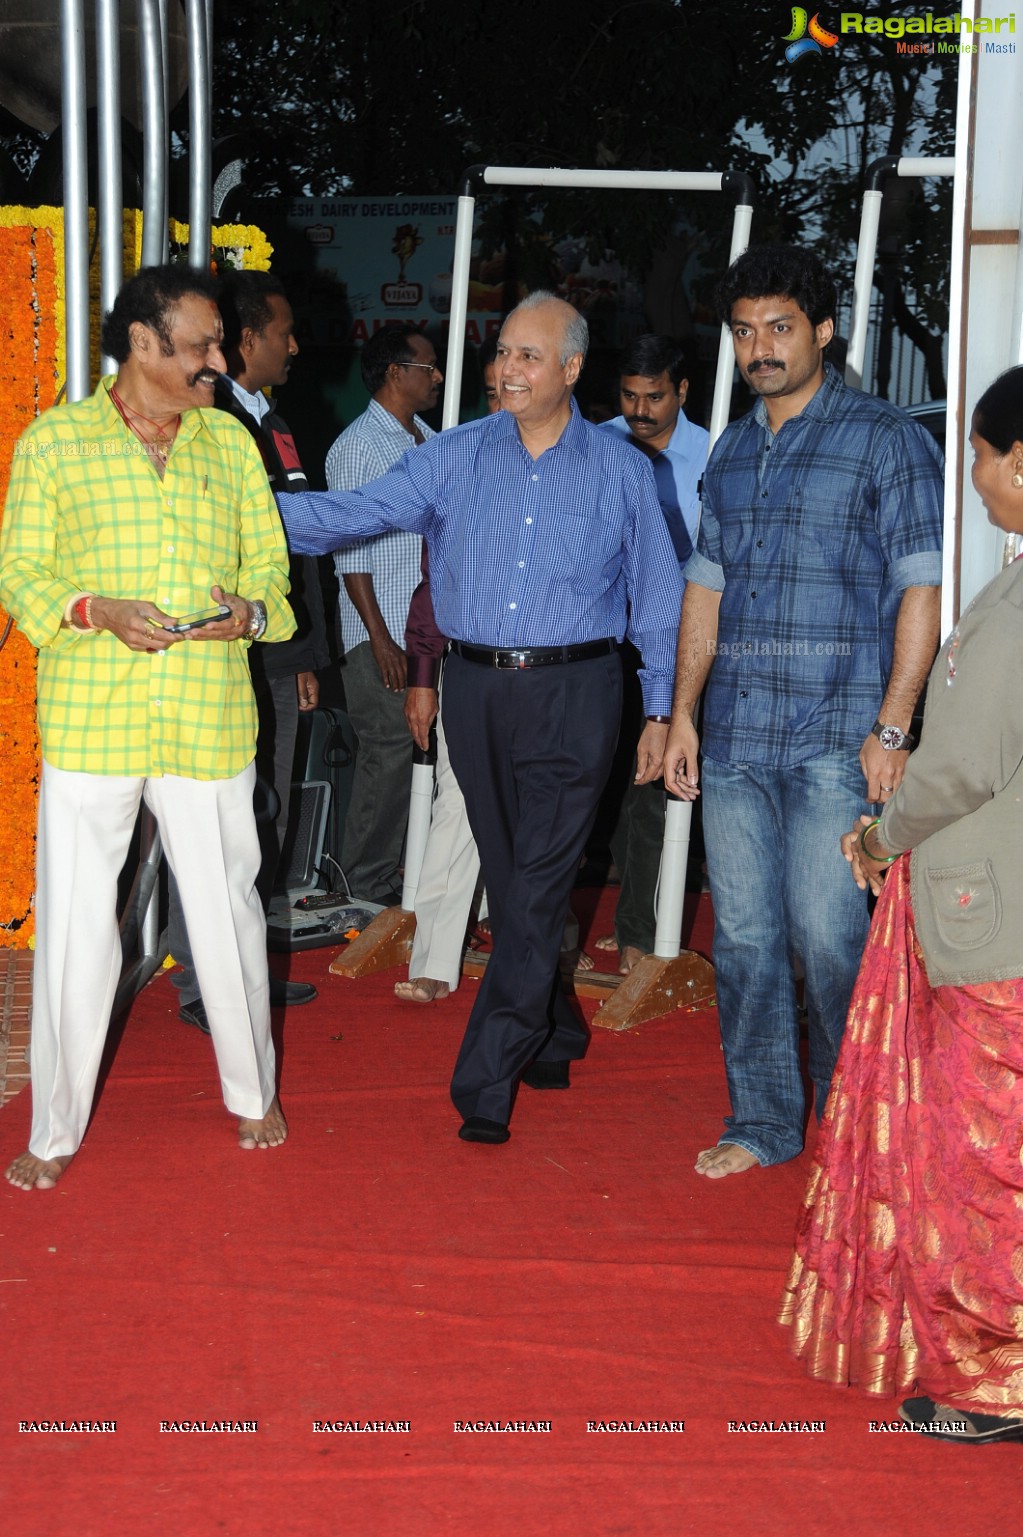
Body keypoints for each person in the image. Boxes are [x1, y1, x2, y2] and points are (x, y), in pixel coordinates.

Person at [280, 291, 683, 1143]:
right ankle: (556, 1029)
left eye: (528, 356)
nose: (506, 368)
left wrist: (660, 708)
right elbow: (354, 515)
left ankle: (486, 1076)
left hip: (578, 693)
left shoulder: (621, 470)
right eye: (502, 352)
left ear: (571, 369)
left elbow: (655, 597)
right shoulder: (455, 455)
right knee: (511, 878)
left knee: (535, 880)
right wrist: (239, 515)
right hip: (475, 688)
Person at [0, 264, 294, 1189]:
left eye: (219, 344)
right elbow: (20, 574)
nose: (219, 359)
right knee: (81, 924)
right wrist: (94, 608)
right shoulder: (55, 443)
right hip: (95, 720)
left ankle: (253, 1091)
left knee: (228, 911)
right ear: (141, 342)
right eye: (202, 344)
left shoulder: (231, 444)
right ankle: (53, 1127)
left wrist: (245, 614)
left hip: (206, 718)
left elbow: (277, 587)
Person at [779, 366, 1023, 1444]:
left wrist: (879, 836)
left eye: (979, 452)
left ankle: (996, 1377)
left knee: (989, 1149)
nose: (971, 475)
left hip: (999, 922)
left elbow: (964, 764)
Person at [663, 245, 944, 1179]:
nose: (760, 348)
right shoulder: (731, 449)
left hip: (837, 740)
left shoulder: (887, 437)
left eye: (779, 327)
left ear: (823, 331)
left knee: (831, 944)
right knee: (742, 944)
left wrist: (894, 724)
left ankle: (855, 1130)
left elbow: (919, 588)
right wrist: (681, 715)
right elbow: (703, 590)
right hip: (735, 738)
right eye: (744, 331)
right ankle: (766, 1122)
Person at [395, 335, 592, 1005]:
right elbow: (432, 583)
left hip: (558, 680)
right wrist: (424, 676)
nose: (506, 391)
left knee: (538, 815)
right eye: (491, 385)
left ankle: (525, 938)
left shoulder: (589, 468)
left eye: (519, 374)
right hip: (469, 672)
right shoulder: (456, 465)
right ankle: (434, 958)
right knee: (460, 806)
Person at [168, 270, 330, 1031]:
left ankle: (244, 962)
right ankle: (204, 978)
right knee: (217, 818)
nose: (293, 345)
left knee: (263, 818)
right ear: (242, 340)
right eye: (282, 332)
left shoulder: (274, 416)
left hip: (275, 647)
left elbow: (292, 551)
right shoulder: (205, 415)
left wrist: (302, 656)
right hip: (224, 657)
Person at [597, 335, 709, 974]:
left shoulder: (711, 455)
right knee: (606, 782)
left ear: (682, 392)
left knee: (655, 784)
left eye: (655, 397)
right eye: (630, 396)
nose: (640, 410)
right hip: (605, 642)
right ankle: (625, 915)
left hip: (681, 646)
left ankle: (641, 928)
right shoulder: (595, 445)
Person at [327, 324, 442, 904]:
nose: (438, 377)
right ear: (397, 373)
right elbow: (348, 553)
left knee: (421, 757)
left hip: (426, 632)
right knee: (390, 754)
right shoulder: (356, 448)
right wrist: (380, 638)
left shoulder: (426, 438)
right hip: (382, 634)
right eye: (428, 367)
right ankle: (361, 889)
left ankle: (401, 881)